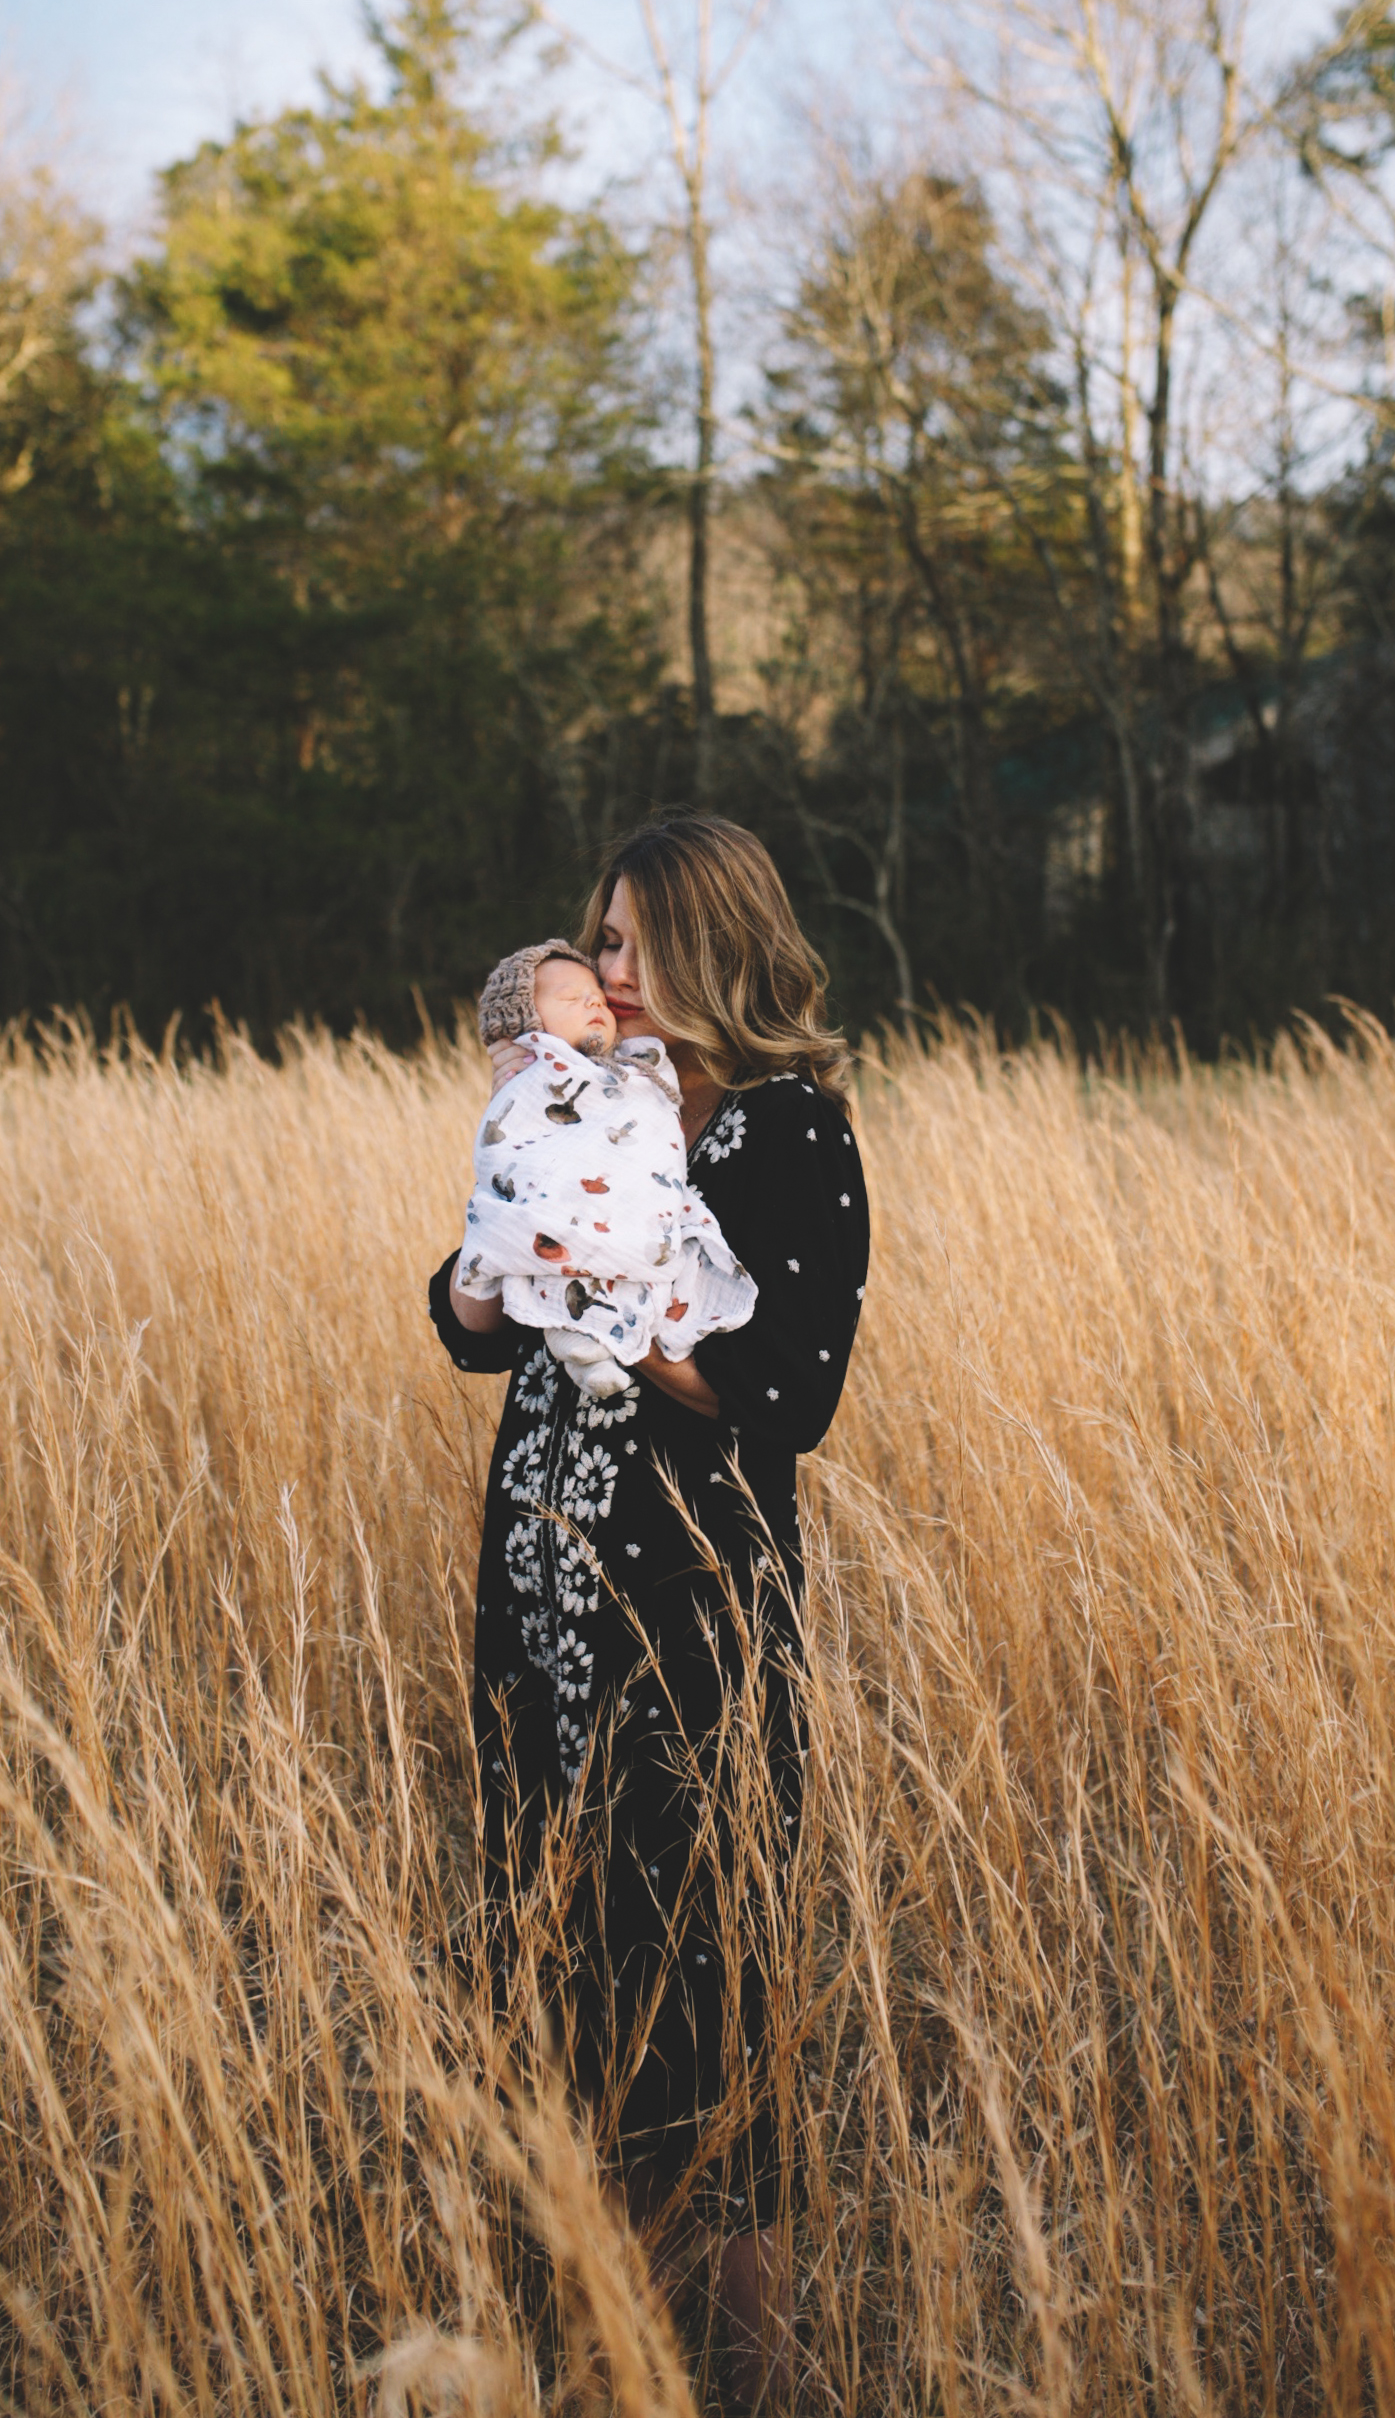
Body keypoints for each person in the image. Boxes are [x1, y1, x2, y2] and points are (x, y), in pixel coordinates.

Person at [428, 815, 871, 2408]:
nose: (600, 970)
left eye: (623, 942)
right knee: (567, 1996)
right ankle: (609, 2365)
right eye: (593, 940)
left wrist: (613, 1293)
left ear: (703, 941)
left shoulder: (784, 1133)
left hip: (688, 1624)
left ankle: (743, 2384)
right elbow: (472, 1319)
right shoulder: (590, 1101)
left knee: (705, 2019)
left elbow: (789, 1389)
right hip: (542, 1607)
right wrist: (494, 1262)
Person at [454, 935, 756, 1400]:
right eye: (611, 943)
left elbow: (785, 1404)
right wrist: (515, 1107)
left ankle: (590, 1334)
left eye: (653, 947)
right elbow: (472, 1326)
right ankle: (579, 1332)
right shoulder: (538, 1082)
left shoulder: (651, 1080)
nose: (611, 981)